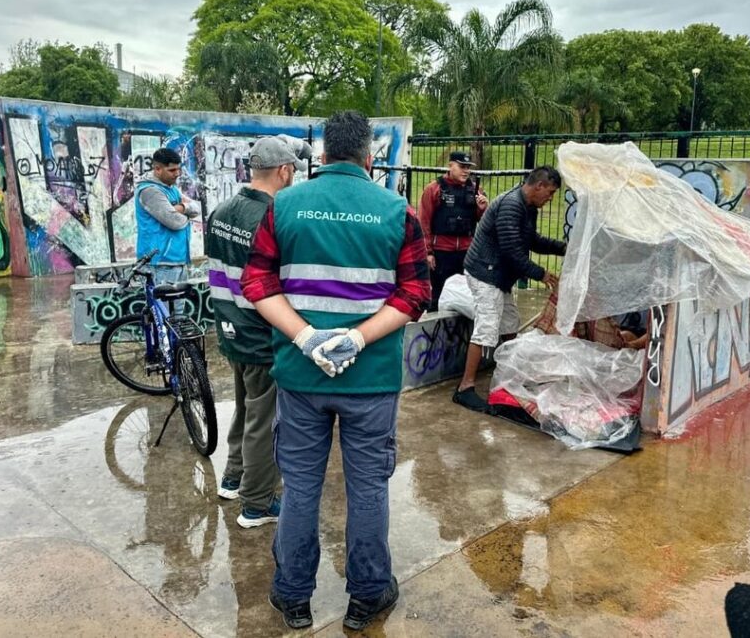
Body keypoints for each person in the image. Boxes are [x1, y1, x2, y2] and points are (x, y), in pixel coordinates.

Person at [241, 110, 430, 631]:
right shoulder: (397, 211)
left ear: (322, 154)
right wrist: (357, 337)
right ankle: (368, 596)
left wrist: (305, 337)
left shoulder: (284, 207)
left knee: (300, 487)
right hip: (371, 381)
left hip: (300, 380)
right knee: (368, 487)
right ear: (370, 156)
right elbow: (415, 292)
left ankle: (293, 597)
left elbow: (256, 284)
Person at [207, 135, 312, 529]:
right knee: (265, 422)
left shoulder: (221, 211)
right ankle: (257, 502)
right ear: (284, 171)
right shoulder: (274, 217)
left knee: (245, 410)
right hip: (261, 334)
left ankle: (233, 479)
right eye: (292, 173)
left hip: (229, 326)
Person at [453, 166, 567, 412]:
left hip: (498, 276)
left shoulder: (528, 207)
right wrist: (542, 274)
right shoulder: (511, 205)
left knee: (511, 322)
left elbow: (531, 240)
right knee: (487, 328)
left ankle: (509, 374)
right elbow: (512, 251)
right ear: (538, 186)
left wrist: (563, 248)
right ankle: (465, 388)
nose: (550, 199)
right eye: (550, 193)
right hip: (485, 273)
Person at [417, 151, 488, 310]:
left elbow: (482, 223)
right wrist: (428, 253)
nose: (466, 171)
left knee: (465, 296)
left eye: (468, 167)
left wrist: (482, 209)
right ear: (450, 166)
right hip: (441, 253)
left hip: (467, 253)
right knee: (438, 296)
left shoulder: (476, 189)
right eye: (462, 166)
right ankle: (435, 331)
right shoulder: (434, 189)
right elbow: (423, 222)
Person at [135, 147, 200, 285]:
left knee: (178, 307)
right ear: (157, 169)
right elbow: (174, 221)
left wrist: (181, 208)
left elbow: (196, 209)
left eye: (178, 169)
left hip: (177, 260)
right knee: (161, 307)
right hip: (159, 263)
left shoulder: (171, 189)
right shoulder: (150, 191)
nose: (177, 174)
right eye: (172, 170)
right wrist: (186, 216)